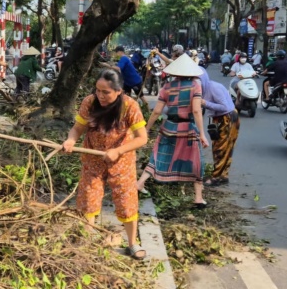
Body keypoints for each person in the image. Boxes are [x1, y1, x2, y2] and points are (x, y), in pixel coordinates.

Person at [62, 69, 149, 259]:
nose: (100, 95)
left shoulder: (129, 106)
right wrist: (70, 140)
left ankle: (133, 243)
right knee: (88, 198)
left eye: (106, 92)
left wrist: (118, 151)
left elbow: (142, 138)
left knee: (126, 201)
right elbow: (78, 128)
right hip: (93, 159)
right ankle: (86, 242)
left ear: (118, 91)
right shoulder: (89, 102)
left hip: (121, 161)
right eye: (98, 90)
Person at [135, 54, 210, 206]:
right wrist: (202, 133)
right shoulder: (195, 85)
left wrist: (146, 129)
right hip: (188, 129)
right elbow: (196, 111)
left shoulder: (167, 87)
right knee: (196, 162)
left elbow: (156, 112)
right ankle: (198, 197)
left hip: (168, 127)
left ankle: (140, 183)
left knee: (158, 156)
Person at [199, 65, 238, 186]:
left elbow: (224, 107)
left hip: (227, 117)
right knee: (219, 148)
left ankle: (217, 178)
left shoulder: (213, 88)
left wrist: (205, 103)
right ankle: (223, 175)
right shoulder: (203, 89)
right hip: (219, 118)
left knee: (222, 149)